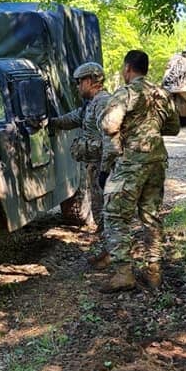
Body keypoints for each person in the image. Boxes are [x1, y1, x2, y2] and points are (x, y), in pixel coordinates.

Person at [99, 49, 181, 292]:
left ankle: (124, 273)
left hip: (131, 163)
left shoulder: (126, 93)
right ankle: (153, 271)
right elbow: (174, 127)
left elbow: (109, 125)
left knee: (115, 215)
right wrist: (150, 129)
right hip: (156, 161)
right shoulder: (162, 94)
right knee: (150, 216)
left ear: (127, 69)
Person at [50, 62, 112, 265]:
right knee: (98, 210)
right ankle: (107, 252)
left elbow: (111, 136)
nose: (77, 87)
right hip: (95, 167)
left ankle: (111, 255)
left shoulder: (103, 103)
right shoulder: (91, 104)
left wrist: (105, 171)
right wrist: (51, 122)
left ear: (90, 81)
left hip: (104, 168)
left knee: (106, 212)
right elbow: (74, 118)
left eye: (79, 82)